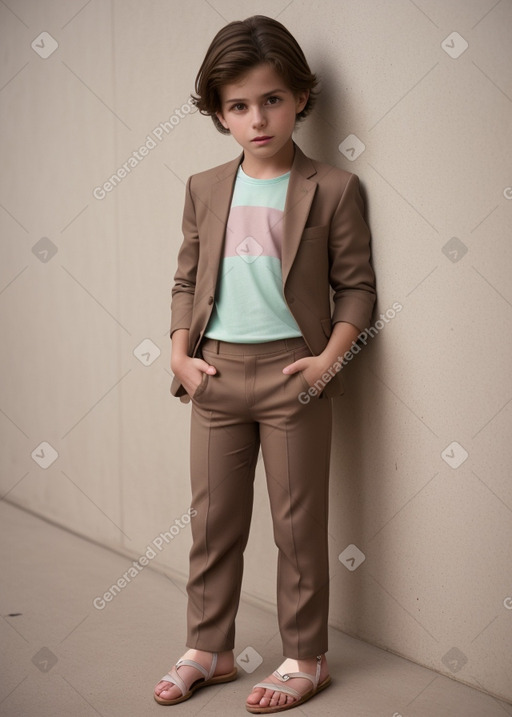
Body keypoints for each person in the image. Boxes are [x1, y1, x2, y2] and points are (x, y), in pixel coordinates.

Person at [154, 15, 376, 713]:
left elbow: (359, 290)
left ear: (301, 98)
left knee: (296, 525)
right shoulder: (204, 186)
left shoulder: (333, 188)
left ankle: (306, 657)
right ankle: (209, 647)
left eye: (273, 99)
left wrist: (325, 365)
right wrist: (180, 355)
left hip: (293, 380)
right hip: (214, 374)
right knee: (212, 523)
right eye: (240, 105)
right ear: (220, 112)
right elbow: (187, 280)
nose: (258, 118)